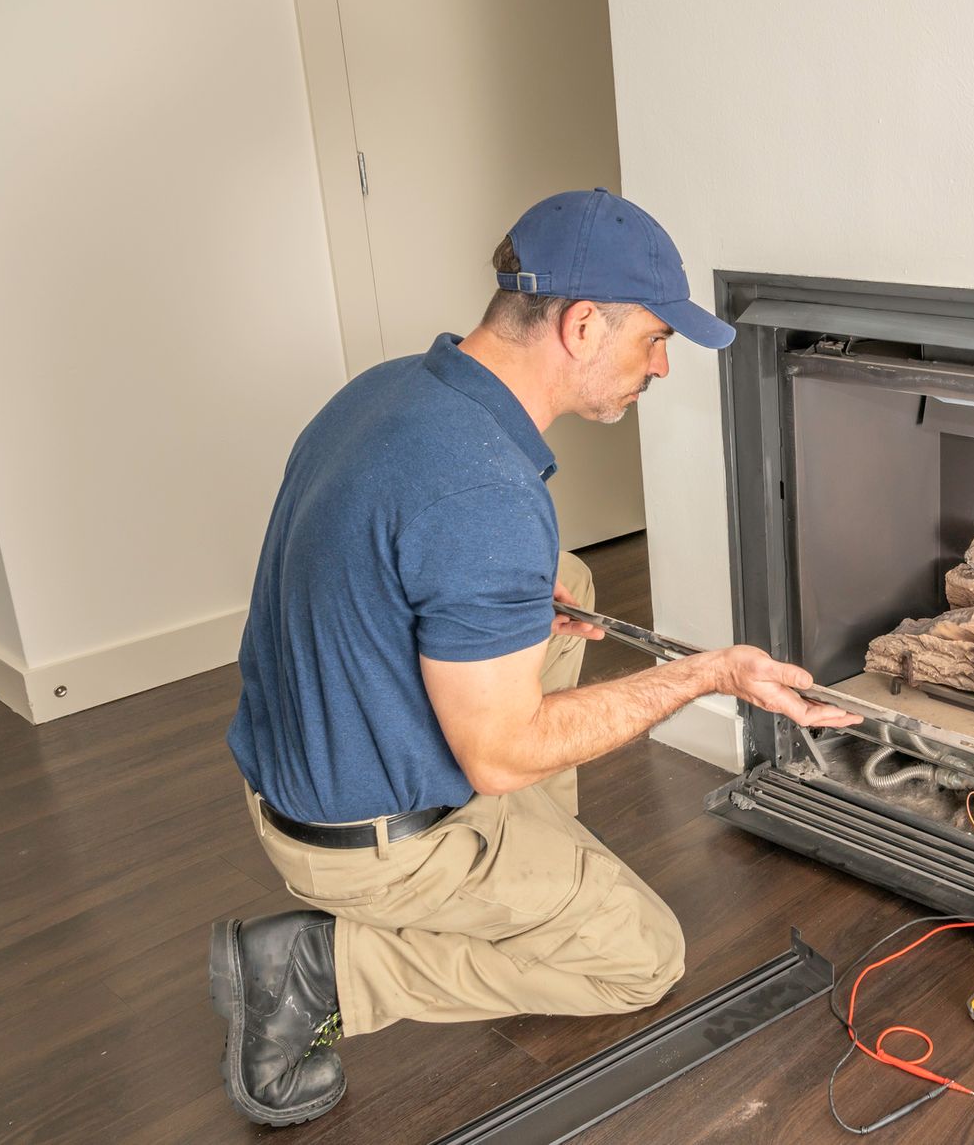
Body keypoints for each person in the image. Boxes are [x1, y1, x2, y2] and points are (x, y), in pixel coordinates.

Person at [210, 188, 856, 1126]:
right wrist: (708, 673)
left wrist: (495, 617)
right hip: (370, 846)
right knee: (641, 958)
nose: (663, 367)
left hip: (294, 768)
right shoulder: (483, 493)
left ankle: (531, 863)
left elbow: (399, 570)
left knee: (566, 582)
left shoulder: (396, 391)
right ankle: (322, 969)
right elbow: (500, 755)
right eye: (655, 338)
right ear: (583, 324)